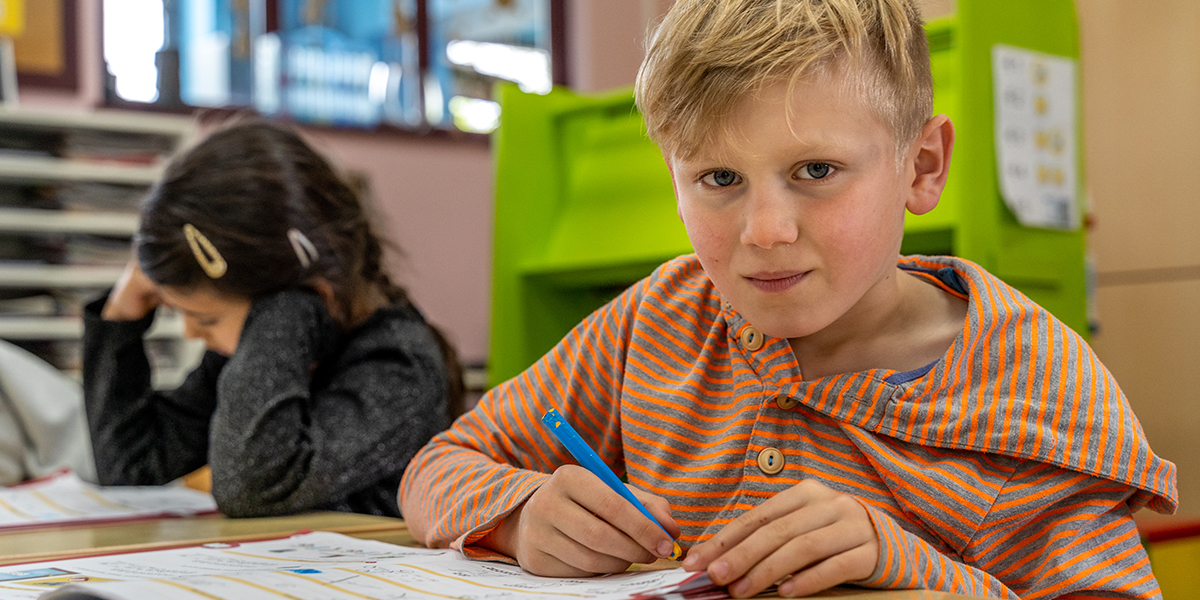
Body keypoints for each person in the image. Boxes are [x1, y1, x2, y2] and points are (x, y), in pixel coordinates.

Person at [400, 0, 1177, 598]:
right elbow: (439, 467)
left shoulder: (1036, 383)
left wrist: (902, 563)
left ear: (922, 166)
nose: (765, 233)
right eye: (719, 180)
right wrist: (520, 516)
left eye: (816, 171)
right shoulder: (659, 319)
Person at [84, 121, 463, 519]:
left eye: (207, 319)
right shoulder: (245, 358)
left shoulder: (398, 366)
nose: (191, 333)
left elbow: (250, 487)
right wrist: (121, 317)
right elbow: (131, 469)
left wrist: (290, 306)